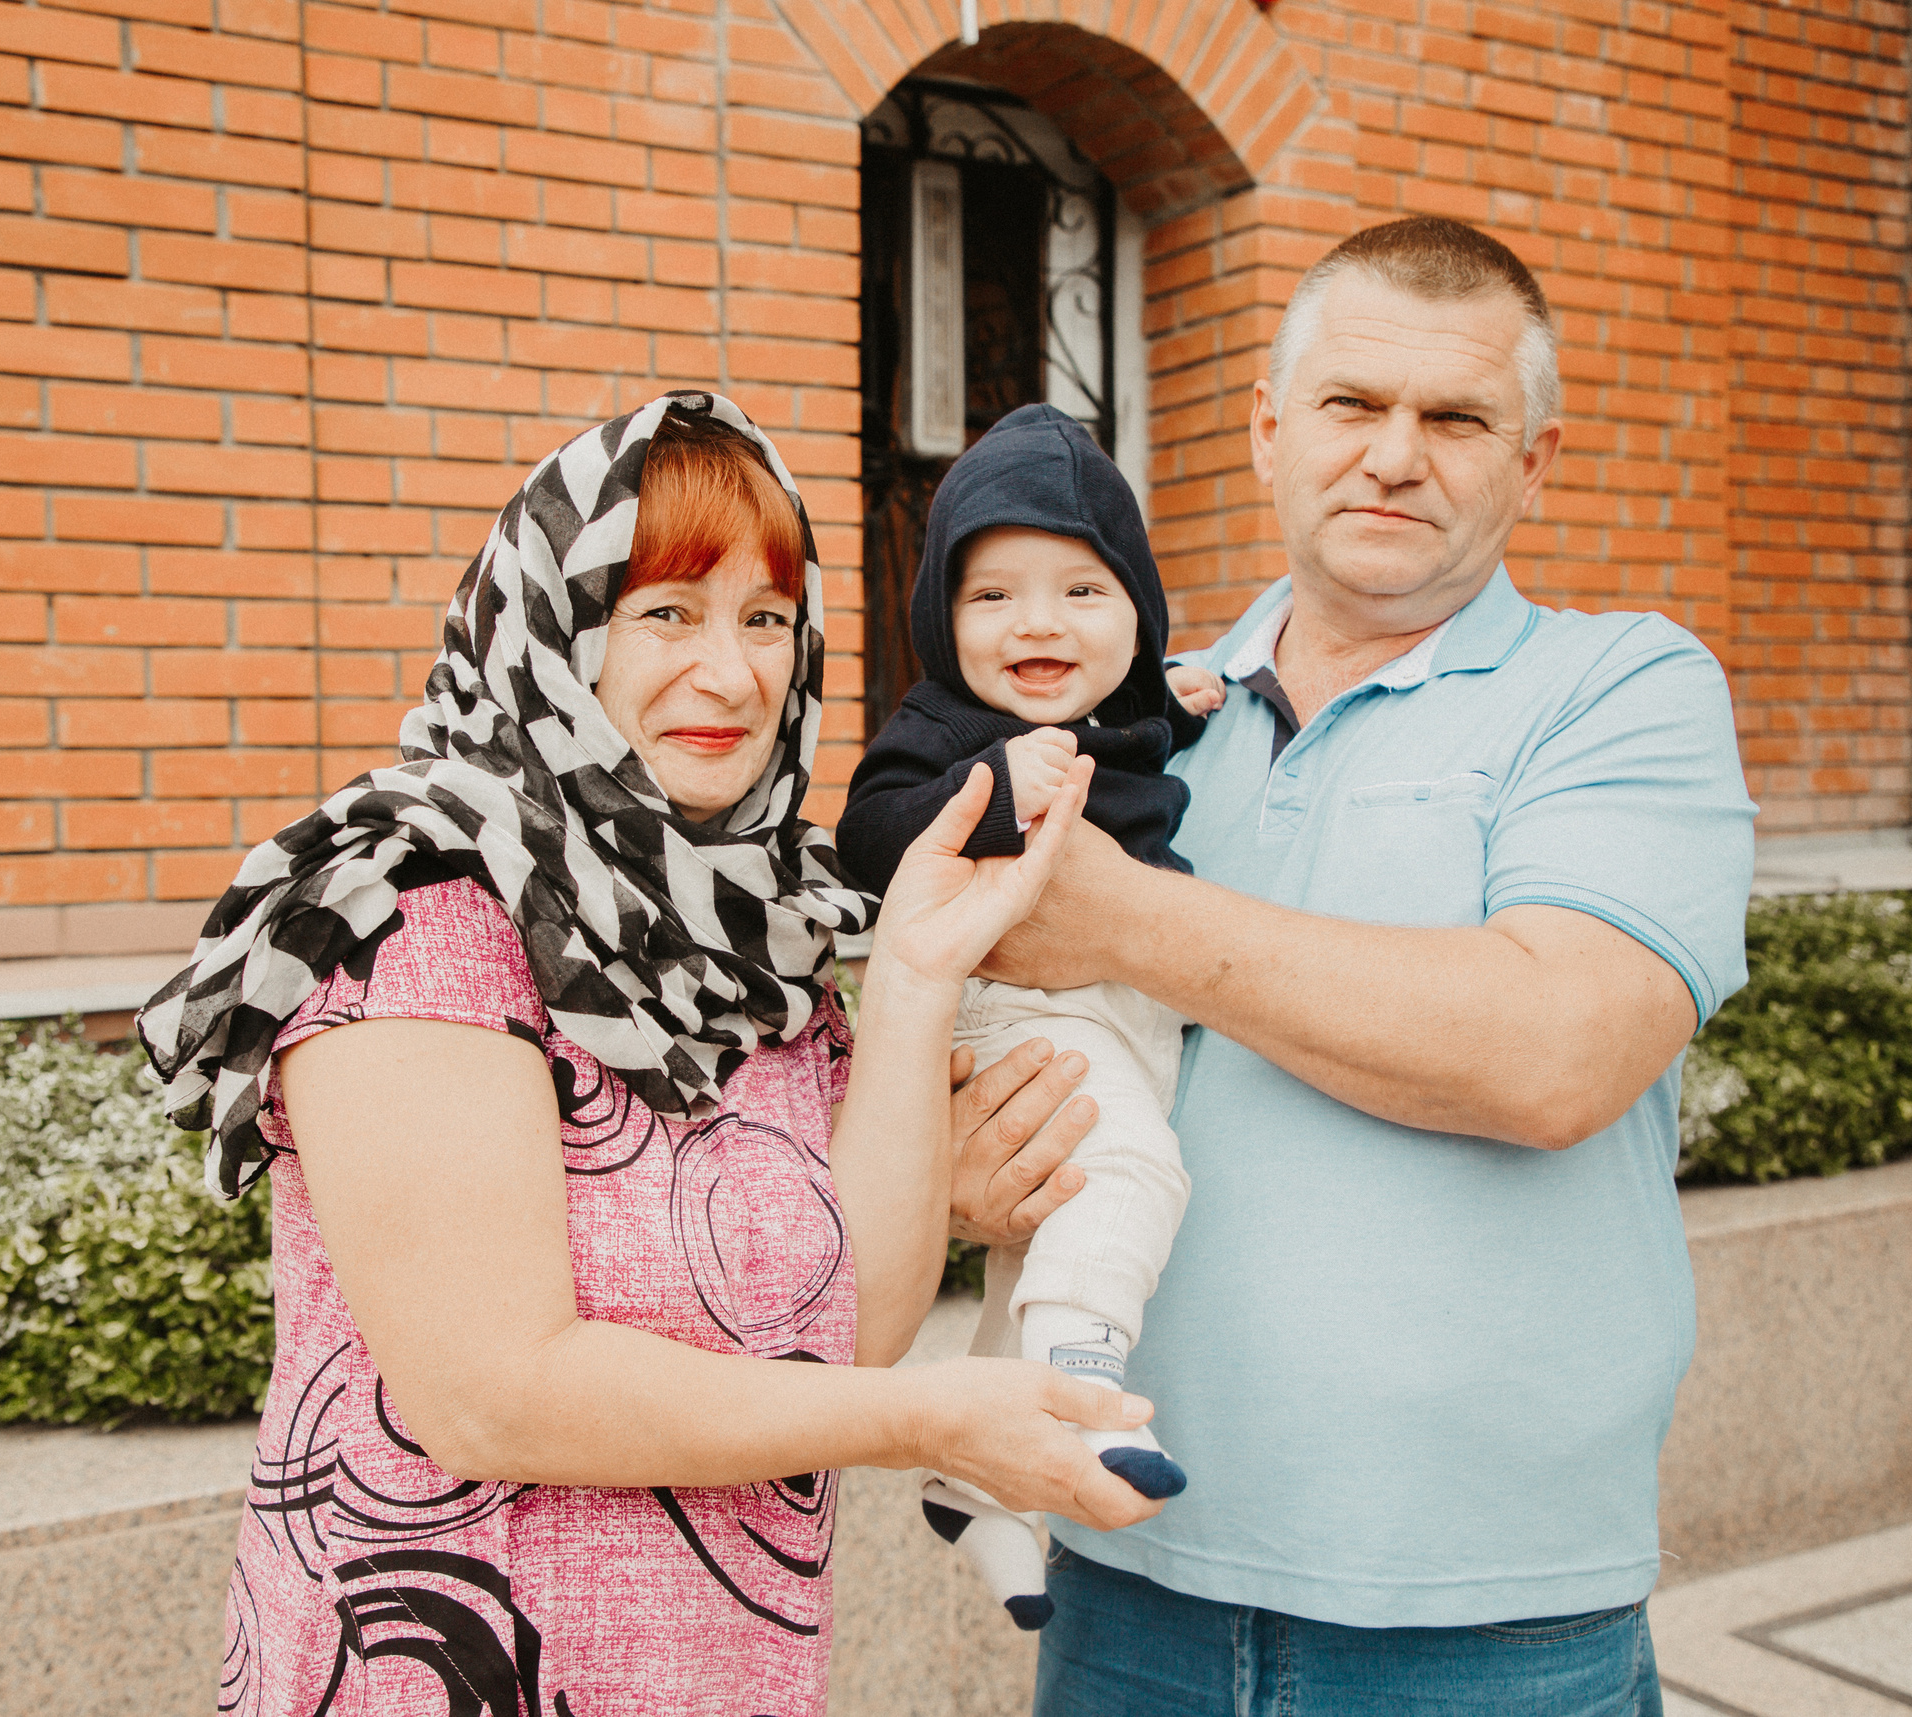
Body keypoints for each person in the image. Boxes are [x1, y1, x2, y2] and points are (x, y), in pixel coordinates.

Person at [138, 394, 1164, 1717]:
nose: (732, 675)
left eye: (765, 621)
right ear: (555, 628)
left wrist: (911, 974)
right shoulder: (411, 908)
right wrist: (929, 1421)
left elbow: (851, 1328)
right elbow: (497, 1394)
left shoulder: (761, 940)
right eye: (667, 612)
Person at [978, 218, 1759, 1714]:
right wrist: (973, 1149)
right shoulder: (1141, 721)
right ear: (1271, 429)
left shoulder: (1622, 688)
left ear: (1529, 463)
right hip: (1129, 1576)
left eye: (1455, 418)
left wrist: (1125, 917)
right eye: (1352, 406)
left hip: (1492, 1624)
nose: (1395, 456)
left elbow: (1555, 1054)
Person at [835, 403, 1225, 1631]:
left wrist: (1191, 693)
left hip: (1127, 1010)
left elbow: (1154, 712)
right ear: (943, 620)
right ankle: (1074, 1394)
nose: (1038, 624)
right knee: (1129, 1172)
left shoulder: (1141, 705)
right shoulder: (948, 727)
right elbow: (868, 835)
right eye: (991, 596)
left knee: (1032, 1248)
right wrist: (983, 788)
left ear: (1138, 617)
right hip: (1020, 1003)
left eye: (1081, 591)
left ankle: (980, 1490)